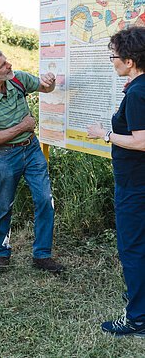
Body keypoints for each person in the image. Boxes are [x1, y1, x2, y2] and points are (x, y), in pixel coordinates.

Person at [0, 49, 64, 273]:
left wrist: (50, 82)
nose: (9, 65)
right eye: (3, 65)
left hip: (32, 150)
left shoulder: (19, 79)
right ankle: (1, 253)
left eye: (7, 61)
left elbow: (46, 88)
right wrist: (22, 126)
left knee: (45, 200)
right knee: (3, 205)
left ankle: (42, 255)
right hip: (5, 156)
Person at [87, 26, 145, 337]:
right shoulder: (140, 87)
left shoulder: (137, 93)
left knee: (133, 248)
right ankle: (140, 297)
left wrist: (105, 134)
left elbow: (142, 141)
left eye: (115, 56)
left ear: (130, 60)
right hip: (138, 181)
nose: (113, 61)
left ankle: (137, 319)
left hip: (135, 185)